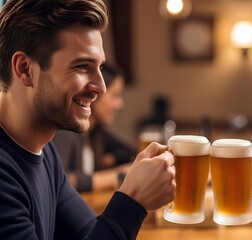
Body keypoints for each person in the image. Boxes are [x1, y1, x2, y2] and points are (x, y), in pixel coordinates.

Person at [0, 0, 175, 239]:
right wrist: (133, 200)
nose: (101, 87)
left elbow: (90, 233)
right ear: (24, 69)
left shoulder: (44, 152)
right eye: (82, 66)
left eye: (100, 67)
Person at [53, 63, 137, 192]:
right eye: (115, 95)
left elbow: (131, 152)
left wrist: (113, 158)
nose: (119, 104)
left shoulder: (96, 131)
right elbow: (60, 181)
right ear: (96, 92)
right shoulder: (66, 131)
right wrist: (117, 175)